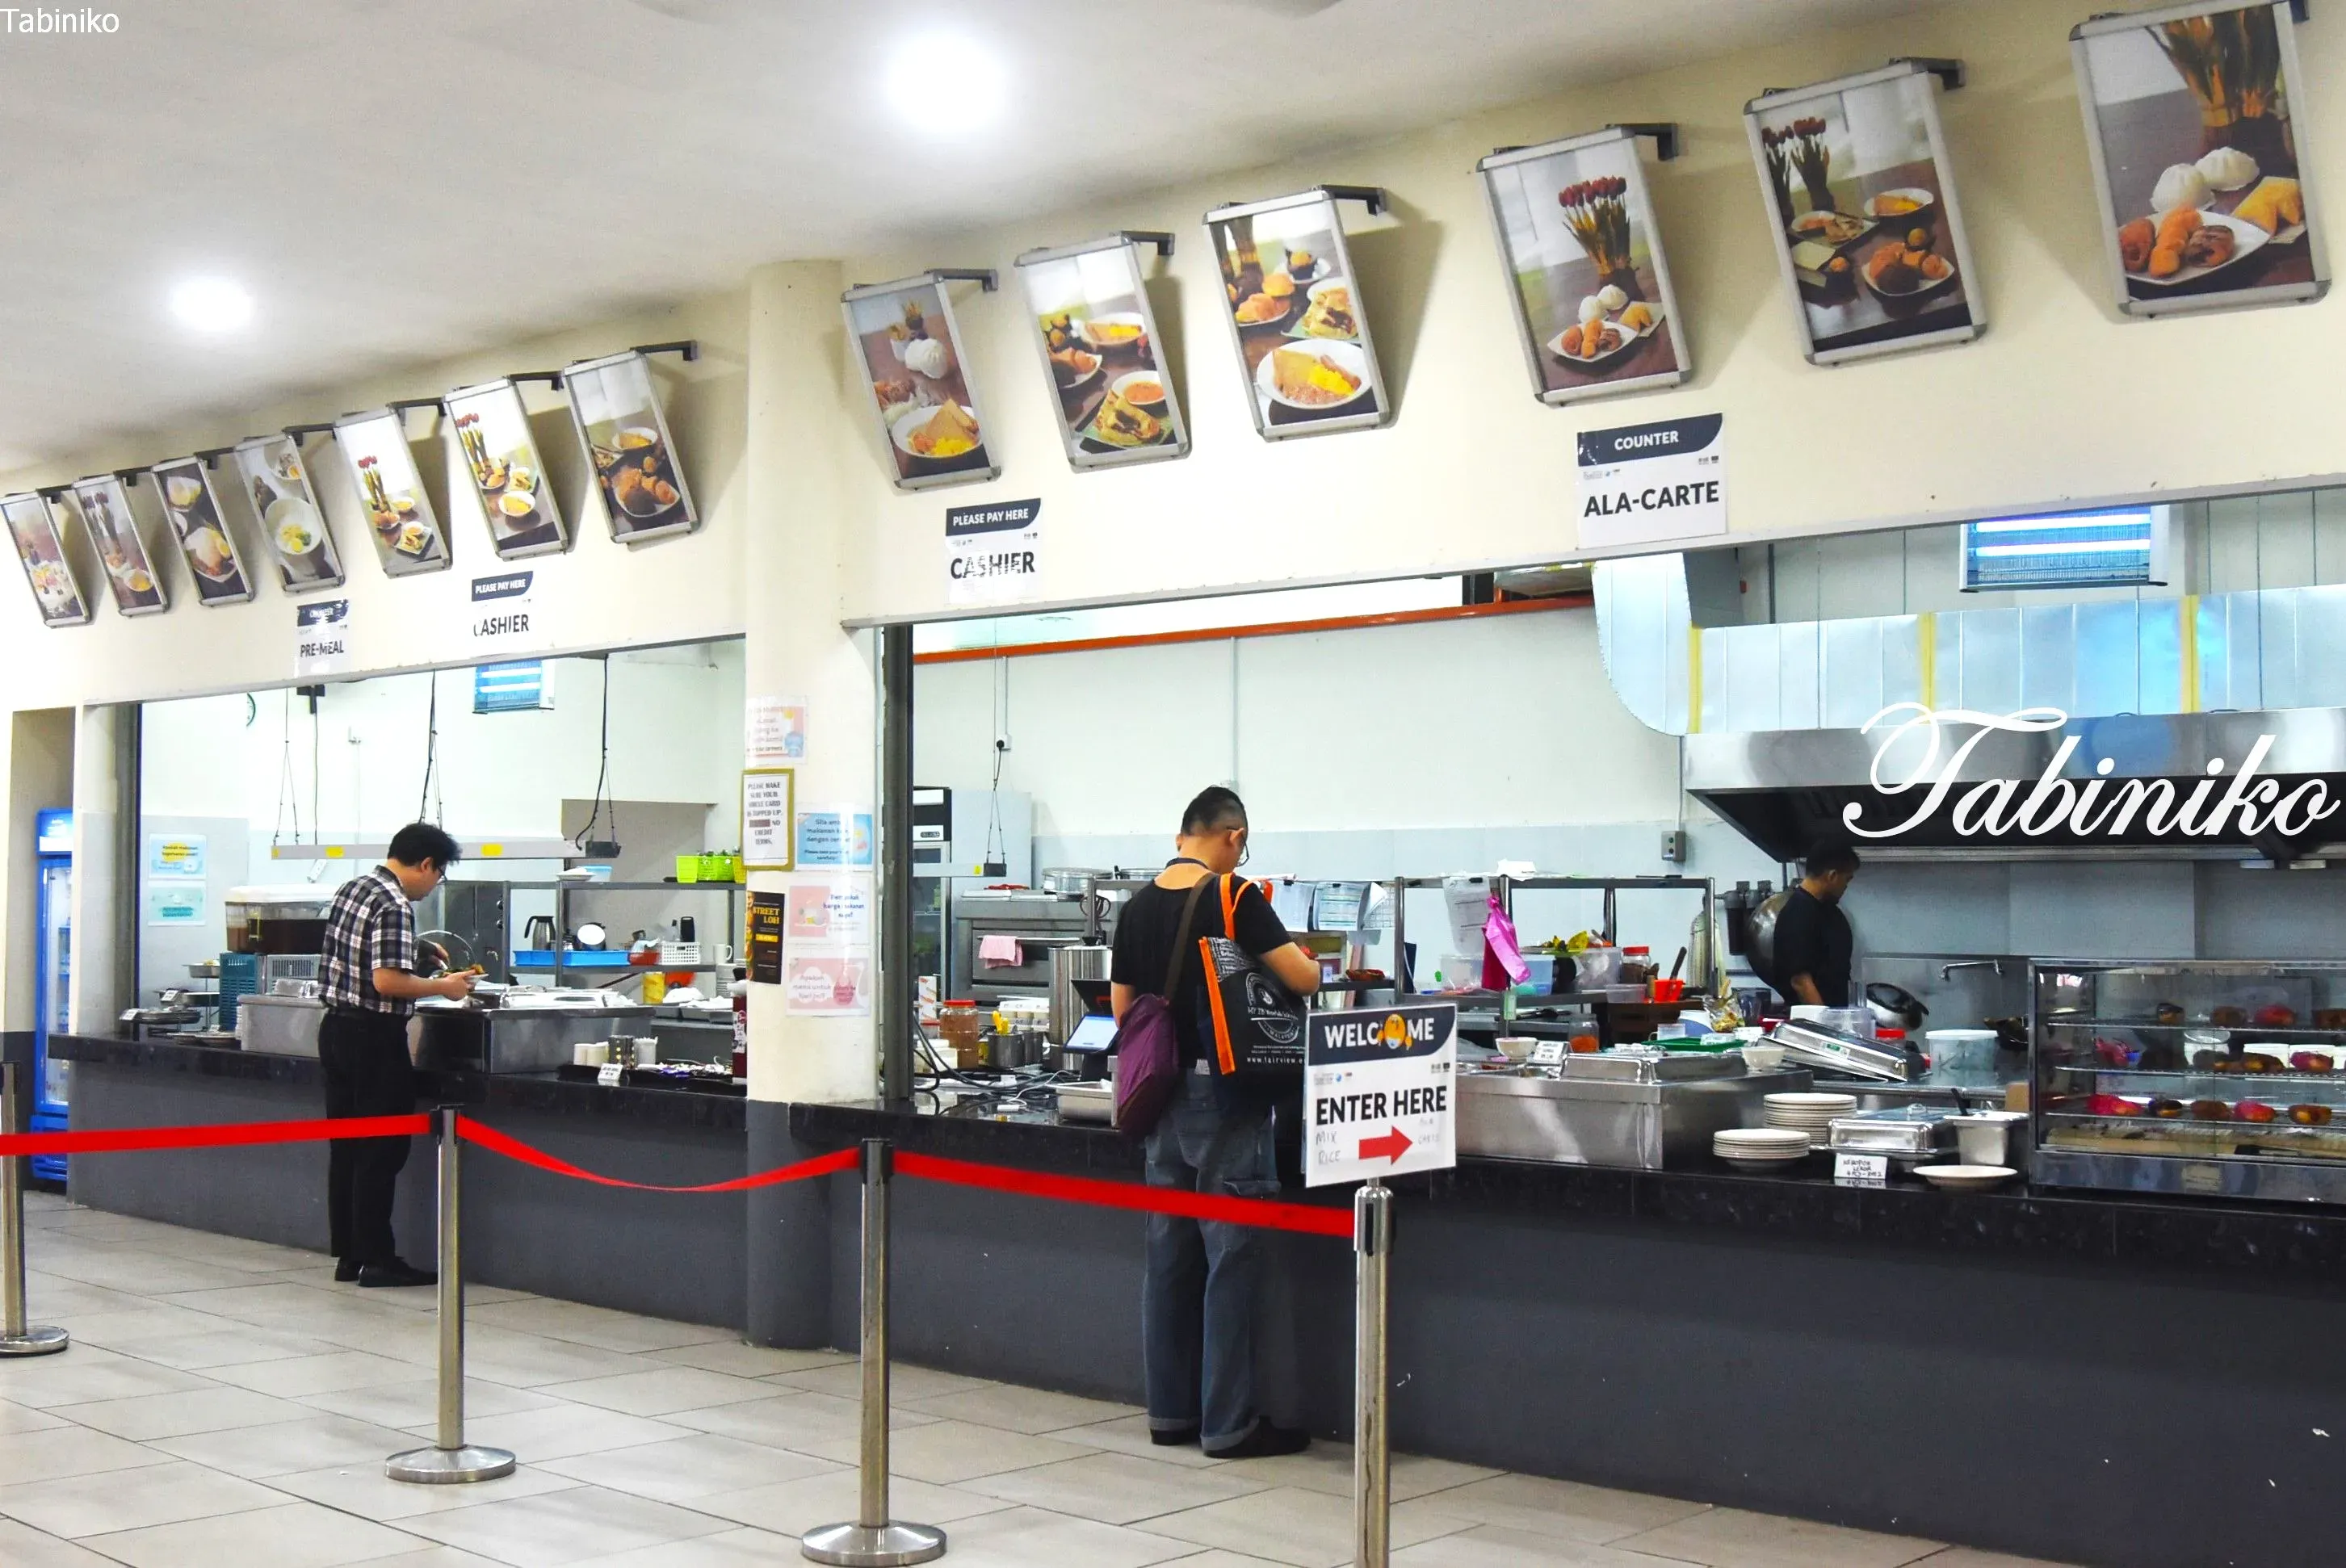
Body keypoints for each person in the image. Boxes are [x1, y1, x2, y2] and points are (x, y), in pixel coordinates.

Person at [1110, 786, 1323, 1459]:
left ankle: (1169, 1414)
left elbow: (1122, 1010)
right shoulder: (1234, 896)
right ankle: (1229, 1424)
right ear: (1233, 837)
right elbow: (1304, 979)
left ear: (1182, 835)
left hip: (1158, 1095)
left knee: (1167, 1257)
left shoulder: (1136, 906)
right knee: (1230, 1257)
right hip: (1224, 1095)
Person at [320, 822, 473, 1287]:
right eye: (439, 875)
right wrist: (444, 987)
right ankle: (378, 1260)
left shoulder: (356, 888)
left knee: (347, 1147)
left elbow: (358, 954)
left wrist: (416, 950)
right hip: (374, 1039)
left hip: (336, 1031)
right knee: (381, 1150)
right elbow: (387, 982)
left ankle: (349, 1256)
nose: (434, 885)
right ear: (426, 864)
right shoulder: (394, 904)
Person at [1765, 841, 1861, 1008]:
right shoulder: (1798, 913)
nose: (1846, 887)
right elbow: (1801, 982)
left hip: (1837, 1014)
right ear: (1832, 876)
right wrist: (1826, 1020)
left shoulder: (1829, 911)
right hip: (1813, 1021)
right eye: (1847, 879)